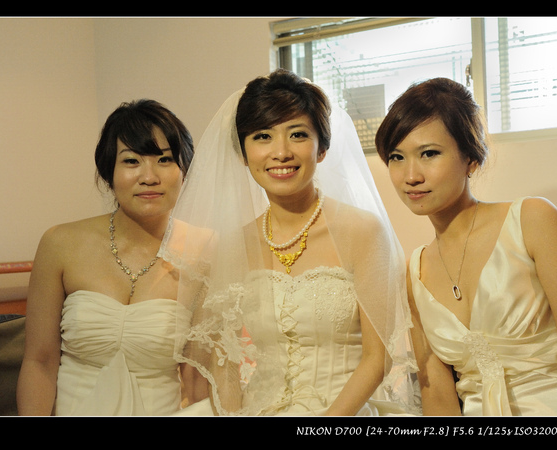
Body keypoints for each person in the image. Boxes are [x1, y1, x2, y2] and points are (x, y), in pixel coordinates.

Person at [159, 69, 420, 416]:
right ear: (243, 153)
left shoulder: (362, 232)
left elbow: (378, 358)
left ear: (321, 148)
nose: (280, 152)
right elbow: (225, 363)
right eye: (262, 136)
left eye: (297, 134)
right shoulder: (236, 244)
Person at [375, 77, 557, 416]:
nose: (411, 176)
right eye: (396, 157)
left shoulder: (532, 221)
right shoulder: (415, 273)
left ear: (470, 157)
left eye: (429, 153)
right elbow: (437, 396)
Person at [16, 99, 205, 415]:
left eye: (165, 159)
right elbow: (40, 360)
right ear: (109, 171)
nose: (149, 177)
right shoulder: (60, 243)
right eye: (132, 161)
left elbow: (198, 376)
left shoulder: (205, 251)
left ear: (184, 170)